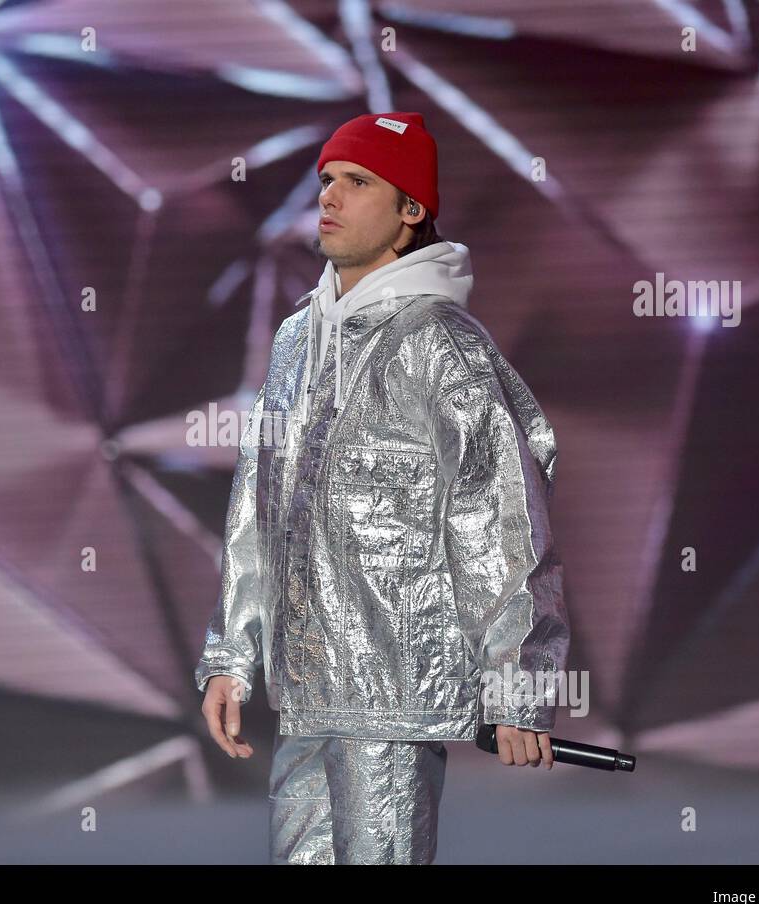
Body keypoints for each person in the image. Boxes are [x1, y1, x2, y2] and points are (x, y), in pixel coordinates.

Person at [196, 111, 571, 864]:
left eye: (357, 181)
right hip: (305, 698)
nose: (329, 196)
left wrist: (518, 683)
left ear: (411, 210)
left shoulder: (443, 344)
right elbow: (256, 505)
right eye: (327, 179)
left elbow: (500, 517)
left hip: (394, 701)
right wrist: (232, 654)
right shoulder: (299, 337)